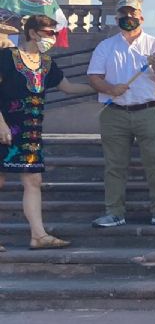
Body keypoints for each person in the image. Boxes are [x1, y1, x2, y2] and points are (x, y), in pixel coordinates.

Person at [0, 15, 94, 250]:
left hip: (30, 131)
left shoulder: (47, 63)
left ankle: (38, 235)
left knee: (34, 180)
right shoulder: (6, 57)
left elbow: (69, 87)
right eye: (48, 33)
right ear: (32, 33)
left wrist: (103, 87)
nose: (52, 38)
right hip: (3, 126)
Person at [87, 0, 155, 227]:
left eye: (132, 13)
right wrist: (110, 89)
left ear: (141, 17)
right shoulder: (106, 46)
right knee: (115, 165)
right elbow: (93, 77)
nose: (128, 17)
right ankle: (114, 212)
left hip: (147, 110)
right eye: (124, 14)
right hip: (114, 112)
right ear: (117, 17)